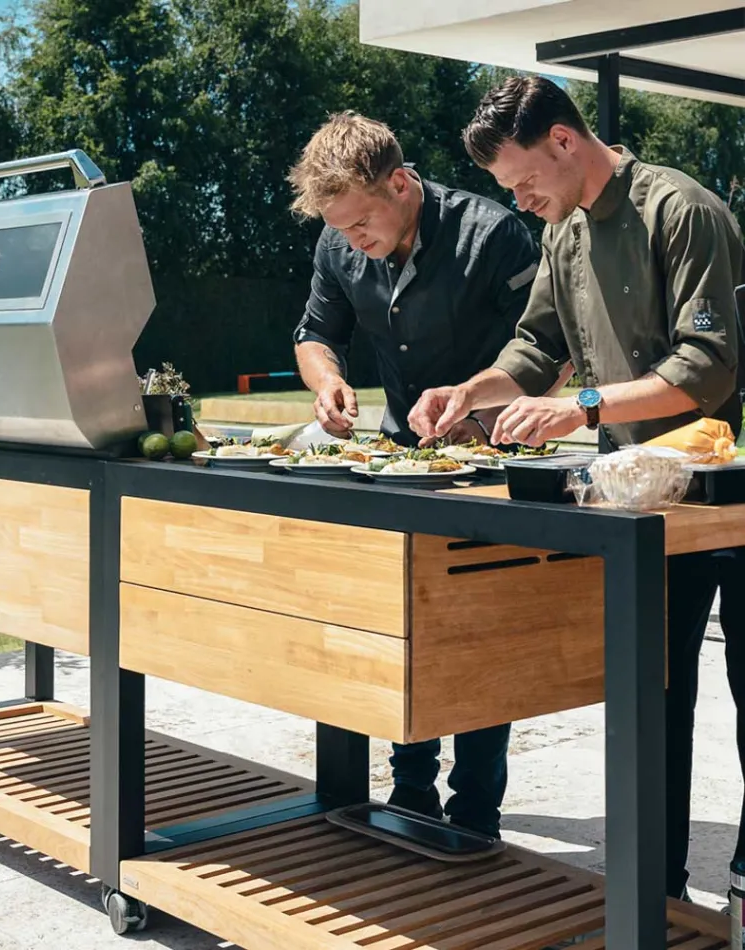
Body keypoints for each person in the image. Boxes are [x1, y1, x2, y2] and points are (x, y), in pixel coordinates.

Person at [409, 75, 745, 899]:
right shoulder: (562, 233)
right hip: (638, 501)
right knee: (651, 693)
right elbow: (535, 347)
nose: (519, 200)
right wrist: (470, 392)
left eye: (523, 179)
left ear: (564, 140)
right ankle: (654, 891)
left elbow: (707, 368)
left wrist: (582, 407)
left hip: (728, 496)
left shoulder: (683, 210)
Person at [286, 110, 542, 838]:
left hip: (492, 463)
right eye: (339, 229)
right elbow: (315, 334)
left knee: (478, 640)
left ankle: (476, 811)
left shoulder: (493, 233)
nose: (352, 240)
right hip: (401, 464)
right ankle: (410, 795)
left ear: (400, 183)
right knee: (407, 630)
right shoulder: (339, 242)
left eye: (361, 223)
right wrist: (328, 381)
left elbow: (548, 350)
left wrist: (481, 418)